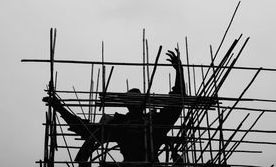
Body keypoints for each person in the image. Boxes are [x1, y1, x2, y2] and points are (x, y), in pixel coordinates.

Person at [43, 49, 185, 166]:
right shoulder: (119, 123)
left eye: (137, 99)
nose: (134, 103)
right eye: (131, 100)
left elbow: (176, 105)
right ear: (127, 104)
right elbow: (85, 130)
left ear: (143, 101)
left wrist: (179, 71)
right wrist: (59, 107)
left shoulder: (154, 121)